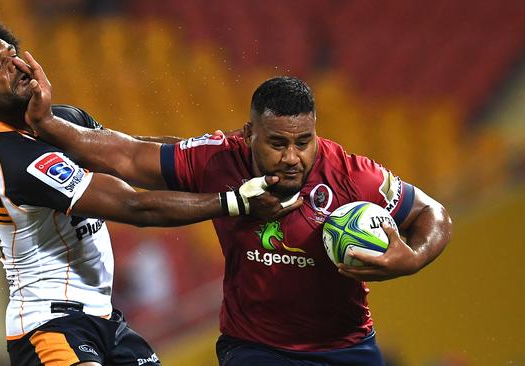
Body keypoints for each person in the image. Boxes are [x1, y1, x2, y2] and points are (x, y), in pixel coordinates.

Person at [0, 4, 301, 366]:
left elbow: (134, 152)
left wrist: (220, 149)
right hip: (48, 326)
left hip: (104, 317)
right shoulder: (14, 160)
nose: (15, 65)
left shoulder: (62, 119)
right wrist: (234, 201)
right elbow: (136, 208)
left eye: (12, 52)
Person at [22, 62, 453, 363]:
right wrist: (48, 124)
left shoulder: (351, 175)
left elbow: (433, 214)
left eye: (303, 142)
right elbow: (131, 158)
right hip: (255, 348)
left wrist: (412, 257)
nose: (292, 157)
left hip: (347, 346)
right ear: (249, 135)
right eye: (277, 143)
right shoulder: (217, 160)